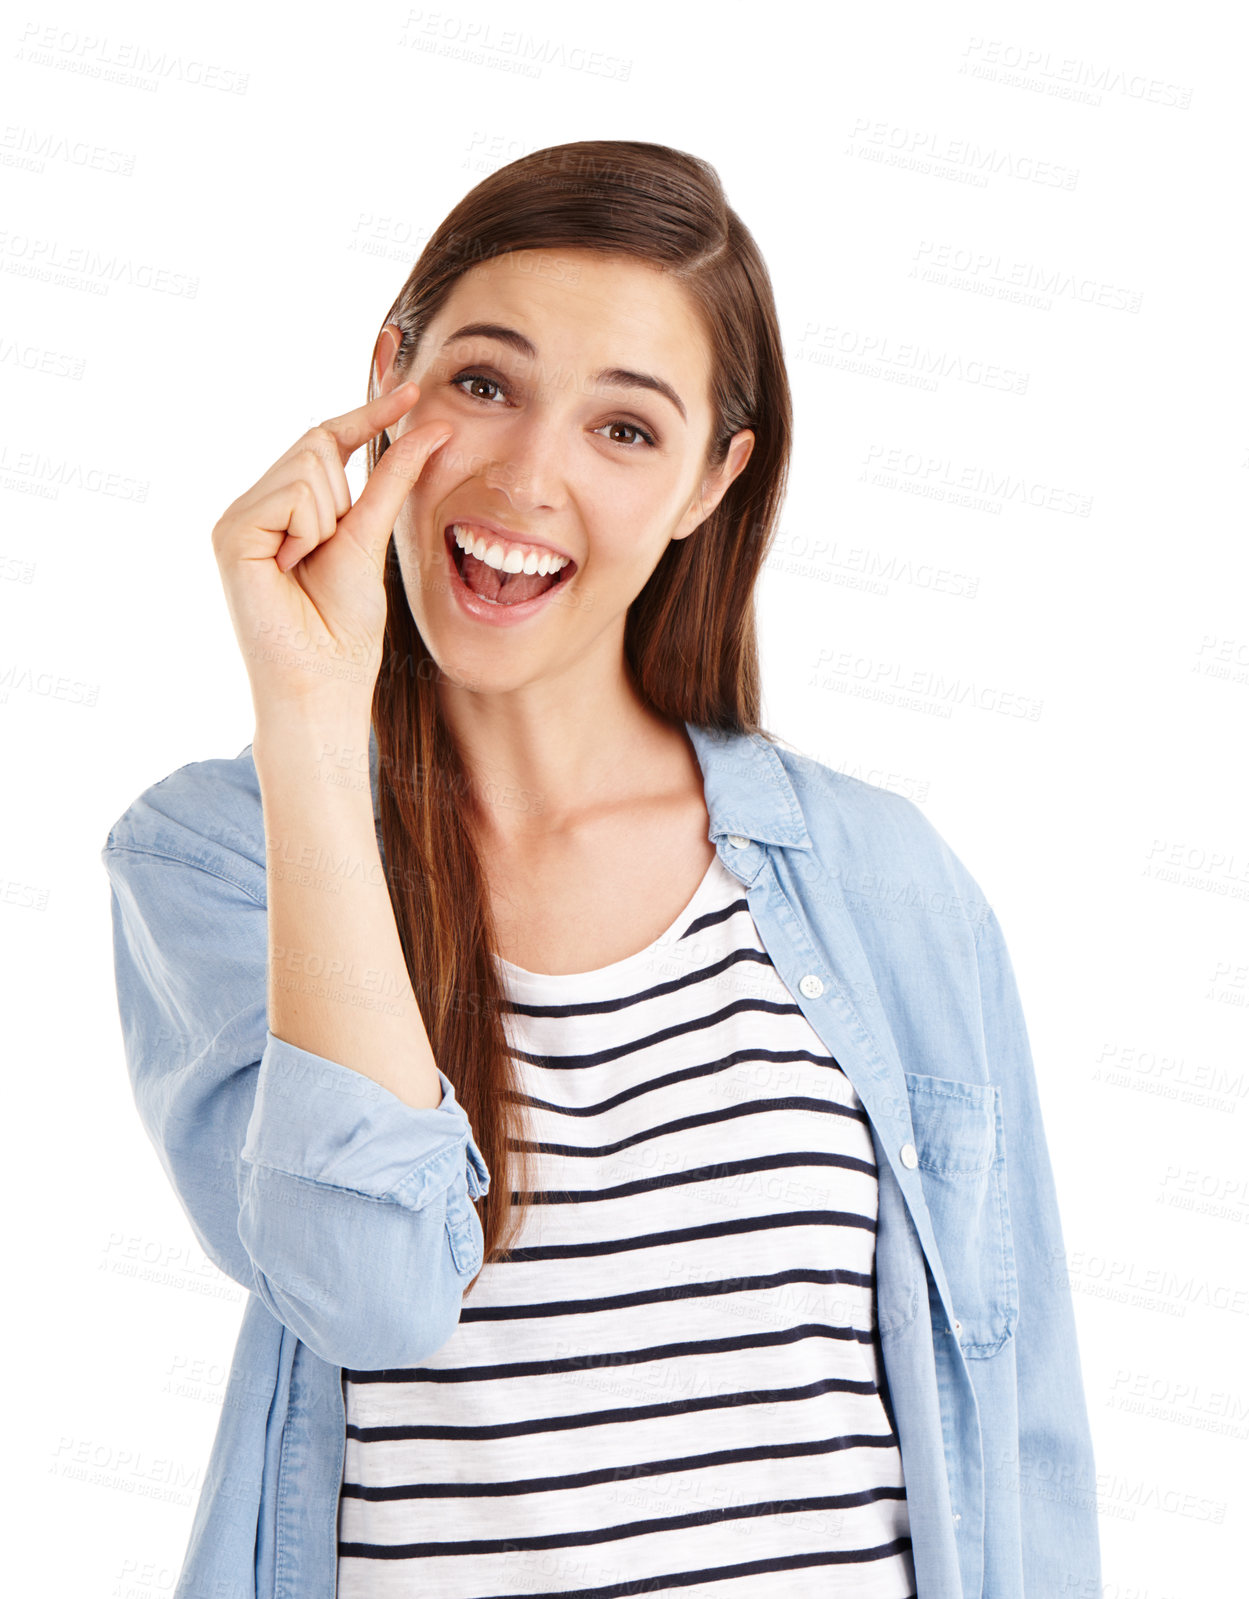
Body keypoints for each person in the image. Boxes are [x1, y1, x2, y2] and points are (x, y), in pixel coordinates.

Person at [101, 139, 1101, 1599]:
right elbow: (369, 1295)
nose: (527, 475)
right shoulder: (216, 860)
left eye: (624, 429)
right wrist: (312, 729)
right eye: (483, 384)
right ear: (391, 372)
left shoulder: (884, 880)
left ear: (713, 479)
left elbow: (1021, 1432)